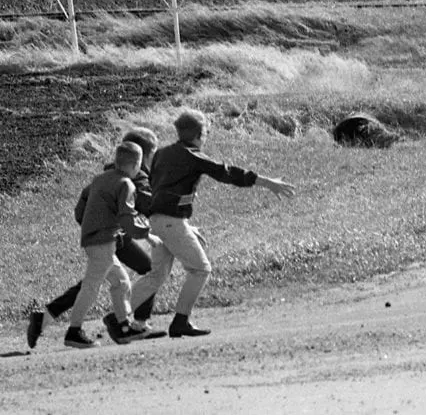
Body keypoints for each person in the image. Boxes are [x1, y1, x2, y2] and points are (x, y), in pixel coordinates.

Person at [126, 109, 297, 338]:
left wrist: (180, 221)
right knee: (200, 269)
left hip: (158, 221)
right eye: (205, 132)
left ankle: (118, 314)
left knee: (156, 275)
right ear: (199, 133)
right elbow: (225, 172)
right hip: (171, 222)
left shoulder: (161, 154)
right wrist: (267, 183)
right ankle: (180, 321)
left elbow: (159, 191)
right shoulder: (192, 154)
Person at [28, 127, 162, 349]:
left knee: (109, 280)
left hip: (104, 235)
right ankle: (126, 325)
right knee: (143, 271)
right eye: (151, 155)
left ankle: (49, 316)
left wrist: (93, 228)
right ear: (140, 158)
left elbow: (81, 210)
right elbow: (147, 207)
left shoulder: (102, 177)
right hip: (112, 236)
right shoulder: (132, 179)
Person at [62, 142, 149, 349]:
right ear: (136, 165)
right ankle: (74, 331)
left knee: (121, 282)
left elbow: (81, 211)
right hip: (102, 242)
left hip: (96, 240)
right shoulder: (126, 184)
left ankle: (125, 327)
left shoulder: (100, 179)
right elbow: (127, 218)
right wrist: (146, 231)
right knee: (91, 286)